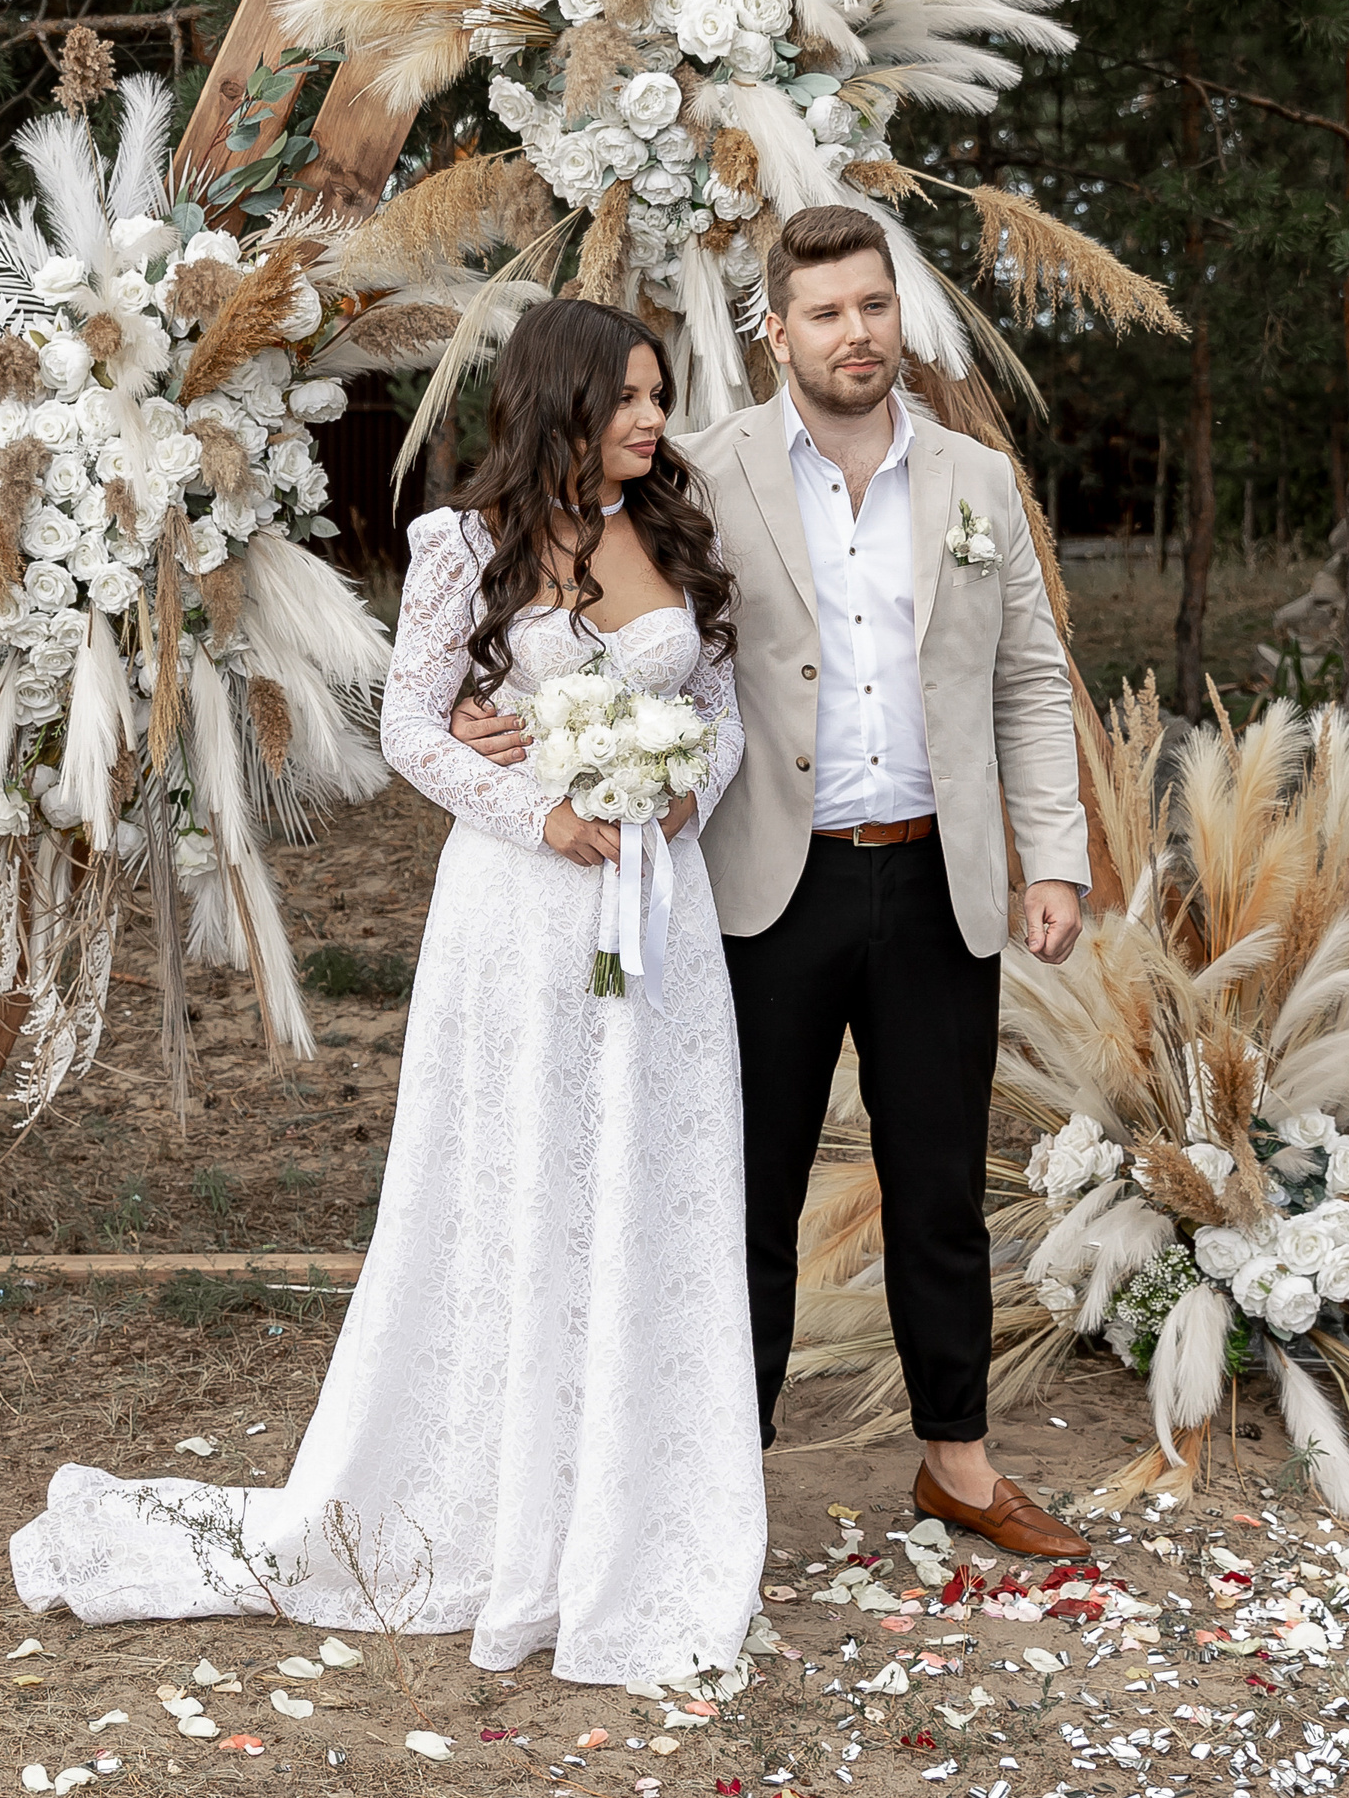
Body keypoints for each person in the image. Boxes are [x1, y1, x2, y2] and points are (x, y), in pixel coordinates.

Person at [11, 296, 765, 1684]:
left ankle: (633, 1499)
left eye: (660, 396)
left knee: (647, 1180)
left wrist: (673, 798)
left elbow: (717, 716)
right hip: (522, 912)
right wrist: (546, 812)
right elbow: (414, 730)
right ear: (560, 400)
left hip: (659, 915)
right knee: (521, 1178)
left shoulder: (670, 534)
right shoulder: (462, 548)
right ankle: (499, 1501)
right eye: (630, 398)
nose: (655, 421)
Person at [453, 207, 1095, 1559]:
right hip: (760, 890)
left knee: (940, 1193)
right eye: (826, 312)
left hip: (939, 887)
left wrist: (1054, 859)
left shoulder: (977, 481)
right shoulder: (696, 472)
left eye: (874, 305)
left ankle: (959, 1464)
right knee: (743, 1194)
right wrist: (482, 703)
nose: (857, 332)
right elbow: (562, 591)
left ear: (899, 315)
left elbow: (1031, 679)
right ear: (777, 333)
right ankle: (720, 1485)